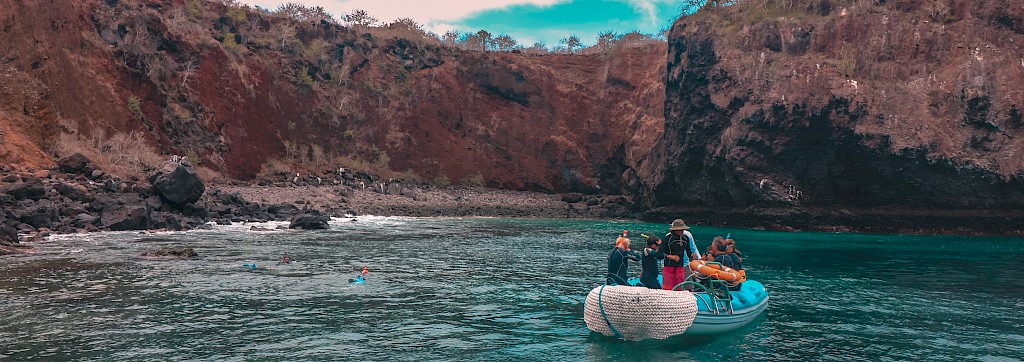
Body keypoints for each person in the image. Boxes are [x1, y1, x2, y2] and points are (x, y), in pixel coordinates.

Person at [662, 219, 701, 290]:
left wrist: (695, 256)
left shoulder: (686, 237)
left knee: (684, 287)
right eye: (681, 230)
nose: (683, 231)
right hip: (669, 266)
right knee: (669, 288)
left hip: (682, 265)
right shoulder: (668, 238)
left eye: (683, 230)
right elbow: (660, 253)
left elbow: (691, 249)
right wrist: (670, 257)